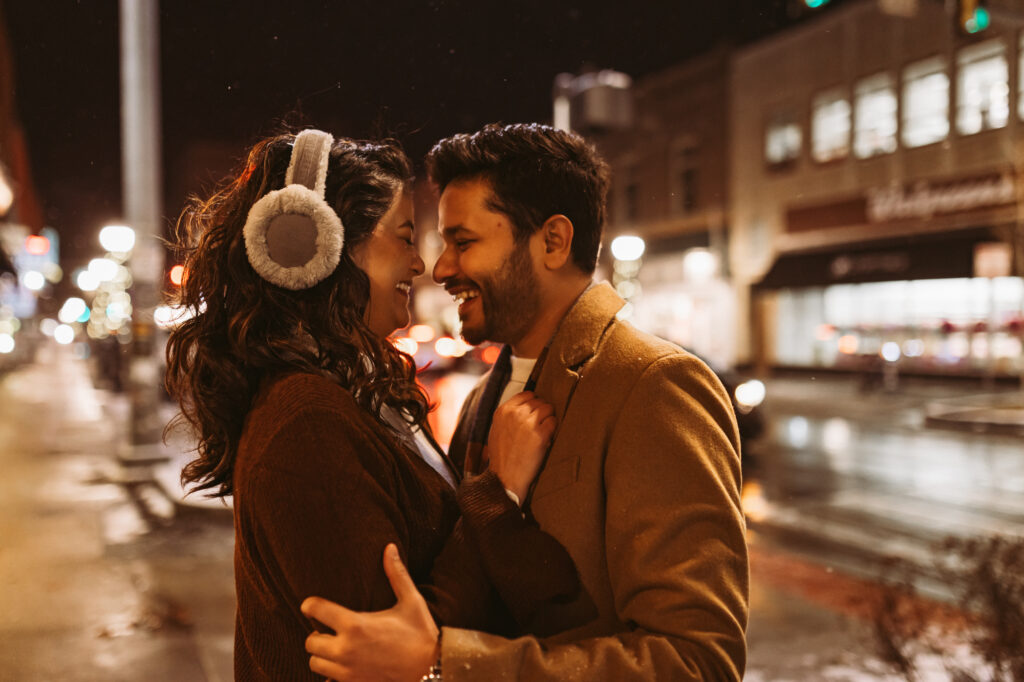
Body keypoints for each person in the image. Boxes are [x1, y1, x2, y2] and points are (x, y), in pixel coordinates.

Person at [301, 123, 750, 681]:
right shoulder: (484, 397)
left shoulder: (652, 384)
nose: (440, 269)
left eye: (463, 243)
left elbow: (698, 661)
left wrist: (447, 665)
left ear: (553, 242)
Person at [164, 128, 584, 681]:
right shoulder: (307, 422)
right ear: (317, 248)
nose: (422, 264)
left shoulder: (347, 390)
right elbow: (386, 649)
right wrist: (496, 493)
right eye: (405, 237)